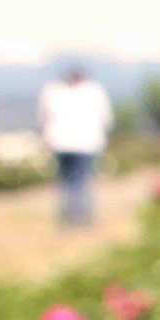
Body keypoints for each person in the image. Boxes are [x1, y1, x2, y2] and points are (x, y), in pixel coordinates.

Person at [37, 66, 112, 226]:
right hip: (86, 144)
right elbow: (106, 118)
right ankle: (82, 219)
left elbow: (43, 118)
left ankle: (67, 218)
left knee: (66, 182)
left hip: (60, 143)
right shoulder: (94, 91)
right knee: (82, 181)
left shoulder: (52, 91)